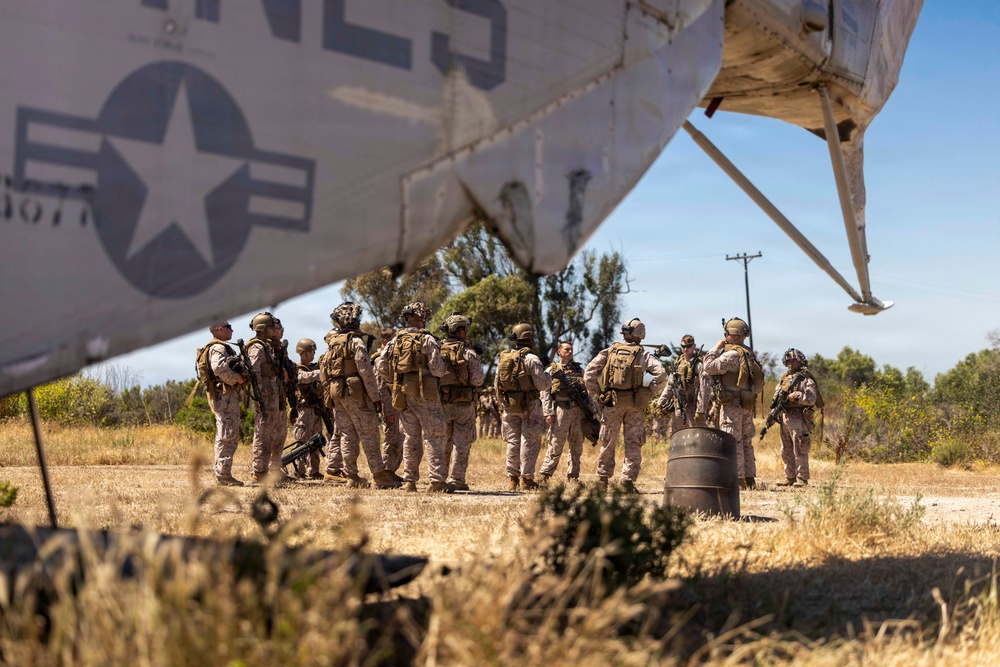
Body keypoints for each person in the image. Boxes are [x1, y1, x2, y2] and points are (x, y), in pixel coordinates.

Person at [320, 302, 401, 489]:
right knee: (370, 433)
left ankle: (352, 476)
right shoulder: (355, 342)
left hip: (338, 394)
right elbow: (366, 372)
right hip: (356, 395)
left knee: (347, 435)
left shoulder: (333, 343)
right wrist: (376, 398)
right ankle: (379, 475)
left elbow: (325, 371)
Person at [376, 302, 454, 493]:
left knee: (410, 437)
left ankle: (410, 481)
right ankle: (436, 481)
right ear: (422, 319)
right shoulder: (427, 339)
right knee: (434, 435)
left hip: (403, 394)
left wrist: (395, 382)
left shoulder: (395, 340)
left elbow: (381, 367)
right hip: (426, 394)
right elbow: (437, 369)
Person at [585, 318, 666, 492]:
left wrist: (598, 394)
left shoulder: (610, 351)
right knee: (633, 443)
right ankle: (627, 482)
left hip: (611, 404)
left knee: (608, 441)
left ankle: (602, 480)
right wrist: (651, 390)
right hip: (634, 405)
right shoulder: (644, 355)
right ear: (641, 334)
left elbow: (589, 373)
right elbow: (661, 374)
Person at [702, 317, 765, 489]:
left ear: (733, 335)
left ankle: (738, 479)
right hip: (746, 404)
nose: (725, 337)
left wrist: (716, 347)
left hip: (731, 406)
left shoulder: (731, 355)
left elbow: (708, 366)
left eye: (727, 334)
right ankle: (750, 477)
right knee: (746, 442)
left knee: (733, 441)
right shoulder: (748, 353)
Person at [495, 322, 550, 491]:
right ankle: (527, 479)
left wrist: (504, 403)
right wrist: (547, 371)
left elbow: (497, 385)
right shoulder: (532, 359)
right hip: (530, 406)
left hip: (510, 405)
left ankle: (512, 479)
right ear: (530, 339)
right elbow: (542, 385)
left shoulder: (504, 358)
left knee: (513, 442)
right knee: (530, 441)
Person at [438, 314, 485, 490]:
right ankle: (457, 479)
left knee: (443, 442)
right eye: (464, 328)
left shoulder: (438, 349)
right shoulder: (468, 352)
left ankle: (439, 478)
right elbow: (478, 380)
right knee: (462, 443)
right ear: (460, 330)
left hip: (442, 402)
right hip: (464, 404)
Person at [197, 321, 246, 486]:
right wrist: (236, 379)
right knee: (227, 434)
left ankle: (224, 473)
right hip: (224, 396)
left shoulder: (218, 346)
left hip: (224, 396)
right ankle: (223, 475)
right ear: (220, 330)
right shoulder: (218, 347)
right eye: (229, 327)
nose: (232, 330)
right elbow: (218, 368)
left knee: (227, 433)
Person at [246, 312, 288, 482]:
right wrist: (262, 392)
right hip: (266, 396)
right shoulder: (257, 347)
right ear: (264, 329)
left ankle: (272, 470)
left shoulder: (268, 346)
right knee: (263, 433)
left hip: (273, 394)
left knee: (275, 433)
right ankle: (259, 471)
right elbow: (254, 371)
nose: (274, 330)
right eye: (272, 327)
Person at [539, 340, 589, 483]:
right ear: (559, 352)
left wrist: (590, 411)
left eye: (571, 349)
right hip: (561, 409)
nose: (570, 352)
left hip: (578, 411)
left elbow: (587, 392)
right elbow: (545, 393)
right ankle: (545, 475)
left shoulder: (579, 370)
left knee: (576, 444)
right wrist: (548, 413)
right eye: (566, 349)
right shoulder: (552, 370)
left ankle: (573, 476)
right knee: (555, 443)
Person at [773, 348, 821, 487]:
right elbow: (777, 395)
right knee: (785, 448)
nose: (790, 363)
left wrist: (797, 396)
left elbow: (811, 399)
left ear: (800, 361)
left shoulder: (806, 379)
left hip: (798, 417)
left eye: (793, 360)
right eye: (788, 360)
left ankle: (802, 478)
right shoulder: (784, 378)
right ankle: (789, 477)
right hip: (784, 416)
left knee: (799, 447)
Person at [655, 334, 710, 433]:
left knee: (698, 433)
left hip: (694, 405)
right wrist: (661, 401)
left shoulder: (699, 364)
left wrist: (701, 410)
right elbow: (670, 385)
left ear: (694, 346)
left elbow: (704, 388)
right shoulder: (678, 363)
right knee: (678, 434)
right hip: (679, 405)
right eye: (683, 346)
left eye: (688, 346)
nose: (685, 349)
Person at [291, 338, 326, 480]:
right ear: (302, 353)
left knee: (316, 441)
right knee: (302, 441)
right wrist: (317, 374)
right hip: (304, 410)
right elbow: (299, 378)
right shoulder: (296, 368)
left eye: (314, 352)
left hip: (316, 409)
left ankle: (314, 470)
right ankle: (299, 470)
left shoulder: (314, 367)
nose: (313, 354)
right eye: (311, 352)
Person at [377, 327, 404, 478]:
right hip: (390, 407)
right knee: (390, 439)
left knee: (397, 439)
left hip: (396, 405)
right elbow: (381, 388)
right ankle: (387, 470)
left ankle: (391, 470)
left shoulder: (391, 357)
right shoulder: (380, 359)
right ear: (386, 341)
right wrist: (389, 410)